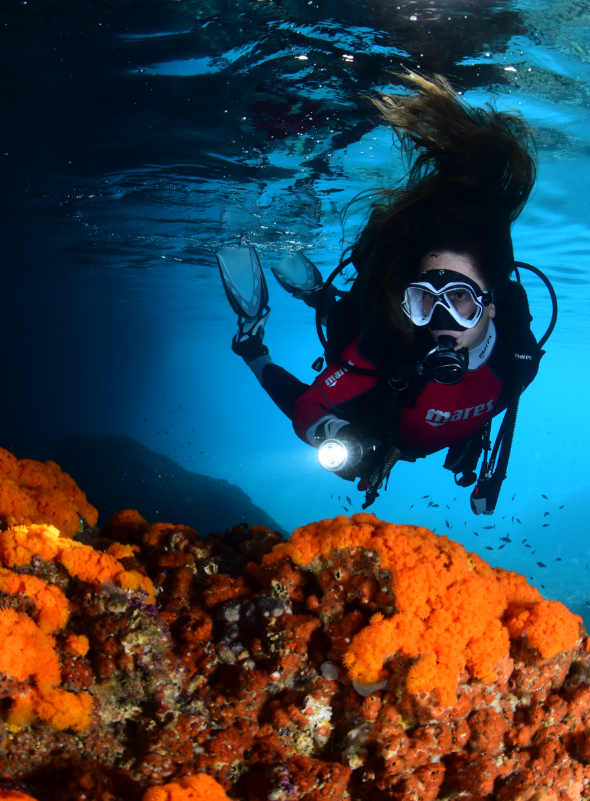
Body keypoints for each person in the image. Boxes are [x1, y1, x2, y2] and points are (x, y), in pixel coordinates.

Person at [218, 73, 554, 515]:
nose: (441, 321)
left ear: (490, 305)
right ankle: (254, 345)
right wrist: (337, 434)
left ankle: (321, 296)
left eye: (461, 299)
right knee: (342, 326)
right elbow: (307, 405)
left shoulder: (518, 359)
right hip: (377, 419)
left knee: (341, 310)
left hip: (414, 432)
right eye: (424, 299)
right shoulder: (387, 343)